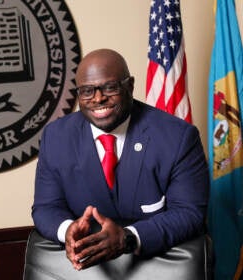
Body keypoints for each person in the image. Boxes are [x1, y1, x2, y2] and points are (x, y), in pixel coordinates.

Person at [31, 48, 209, 271]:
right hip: (86, 268)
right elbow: (46, 208)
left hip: (158, 268)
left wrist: (128, 238)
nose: (98, 98)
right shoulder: (56, 137)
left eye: (110, 87)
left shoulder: (178, 137)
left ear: (130, 86)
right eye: (87, 91)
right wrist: (68, 230)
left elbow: (189, 212)